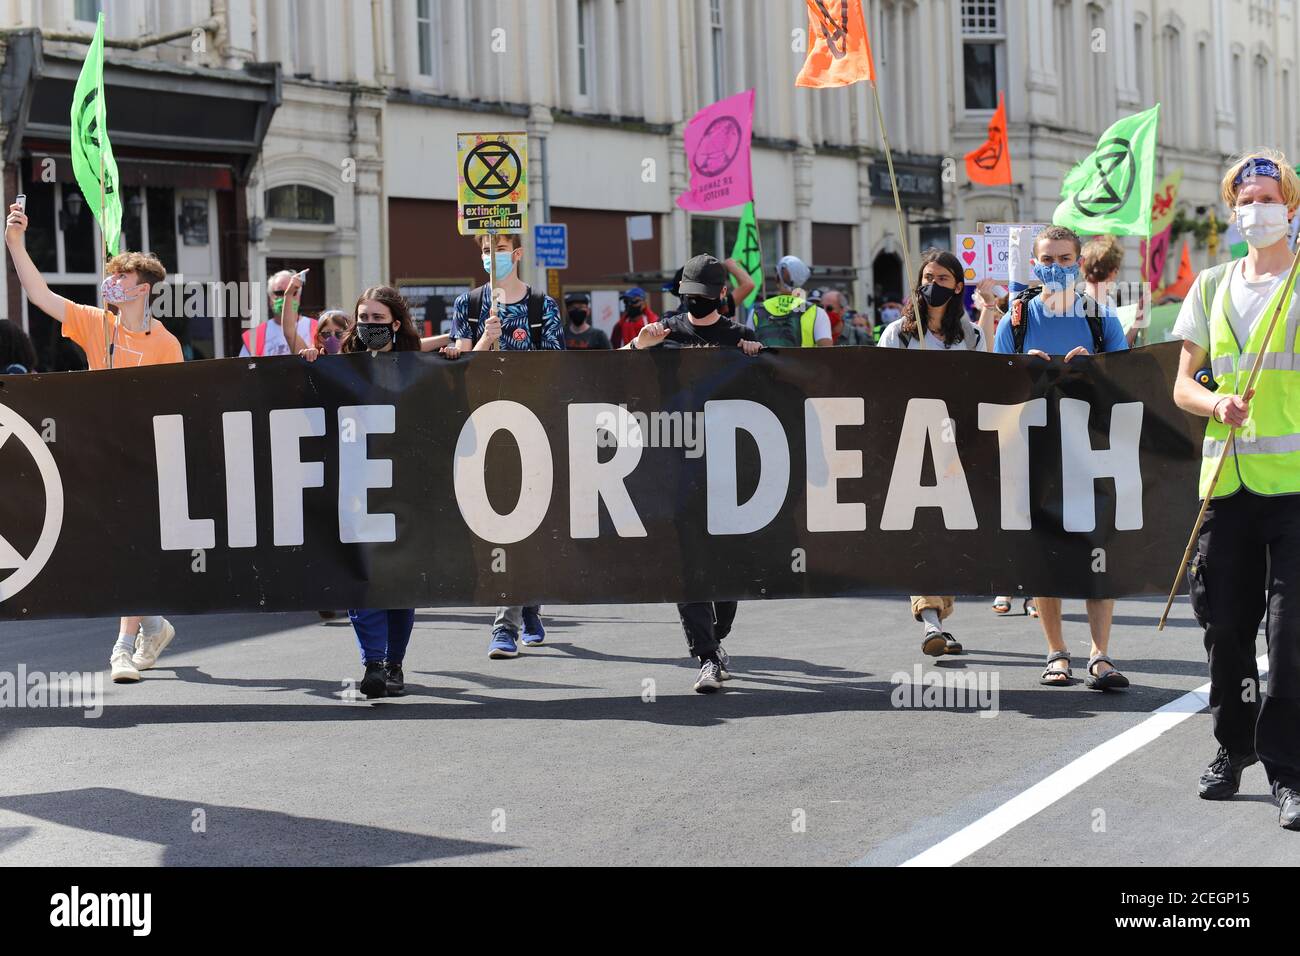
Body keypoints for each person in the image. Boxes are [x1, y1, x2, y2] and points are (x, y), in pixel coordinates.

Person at [1170, 149, 1300, 829]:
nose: (1256, 209)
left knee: (1290, 634)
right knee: (1225, 627)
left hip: (1296, 491)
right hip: (1228, 487)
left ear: (1293, 206)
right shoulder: (1212, 285)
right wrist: (1214, 405)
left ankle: (1289, 770)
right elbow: (1183, 385)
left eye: (1268, 197)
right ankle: (1233, 745)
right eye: (1245, 199)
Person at [5, 200, 181, 684]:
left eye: (121, 279)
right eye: (112, 277)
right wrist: (15, 243)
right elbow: (40, 295)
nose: (113, 284)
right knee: (111, 548)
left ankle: (123, 647)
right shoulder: (95, 322)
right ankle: (152, 624)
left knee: (125, 546)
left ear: (142, 289)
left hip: (142, 459)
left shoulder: (166, 345)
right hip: (97, 456)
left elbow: (175, 408)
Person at [993, 224, 1130, 691]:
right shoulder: (1014, 321)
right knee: (1044, 553)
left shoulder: (1100, 319)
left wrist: (1095, 371)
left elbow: (1129, 384)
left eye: (1065, 259)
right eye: (1047, 260)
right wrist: (1021, 370)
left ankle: (1101, 656)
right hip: (1033, 450)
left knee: (1097, 550)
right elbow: (990, 389)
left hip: (1091, 449)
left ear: (1080, 263)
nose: (1056, 268)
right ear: (1033, 265)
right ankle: (1056, 653)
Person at [620, 254, 764, 692]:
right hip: (677, 467)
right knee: (688, 564)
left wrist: (756, 359)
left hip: (730, 469)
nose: (694, 304)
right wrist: (638, 347)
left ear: (721, 295)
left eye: (701, 297)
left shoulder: (739, 335)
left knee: (728, 568)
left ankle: (716, 639)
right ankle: (705, 656)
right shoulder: (664, 330)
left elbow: (763, 396)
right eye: (687, 297)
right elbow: (610, 373)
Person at [446, 232, 561, 658]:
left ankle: (508, 622)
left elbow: (556, 366)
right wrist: (485, 342)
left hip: (531, 425)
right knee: (499, 526)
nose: (490, 258)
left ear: (515, 255)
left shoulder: (541, 306)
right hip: (484, 425)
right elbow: (461, 365)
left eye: (497, 251)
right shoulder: (469, 305)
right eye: (484, 252)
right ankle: (522, 606)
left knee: (524, 523)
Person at [304, 286, 422, 697]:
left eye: (378, 318)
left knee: (400, 583)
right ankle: (373, 664)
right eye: (364, 318)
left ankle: (394, 664)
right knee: (362, 579)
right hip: (355, 487)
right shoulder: (344, 367)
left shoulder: (419, 366)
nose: (371, 325)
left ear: (395, 322)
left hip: (406, 489)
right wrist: (314, 367)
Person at [876, 249, 996, 657]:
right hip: (910, 446)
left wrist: (991, 313)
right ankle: (929, 618)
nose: (934, 285)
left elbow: (986, 384)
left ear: (958, 286)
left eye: (943, 278)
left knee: (947, 536)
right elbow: (876, 386)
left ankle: (939, 619)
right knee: (921, 535)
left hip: (954, 449)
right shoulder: (897, 335)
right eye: (928, 277)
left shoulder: (971, 337)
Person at [748, 255, 833, 347]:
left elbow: (747, 348)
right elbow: (827, 353)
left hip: (764, 362)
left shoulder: (757, 311)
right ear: (802, 281)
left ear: (777, 278)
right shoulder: (817, 312)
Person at [240, 269, 312, 356]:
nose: (286, 298)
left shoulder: (318, 328)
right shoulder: (254, 336)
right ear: (270, 299)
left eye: (293, 292)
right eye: (280, 292)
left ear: (299, 297)